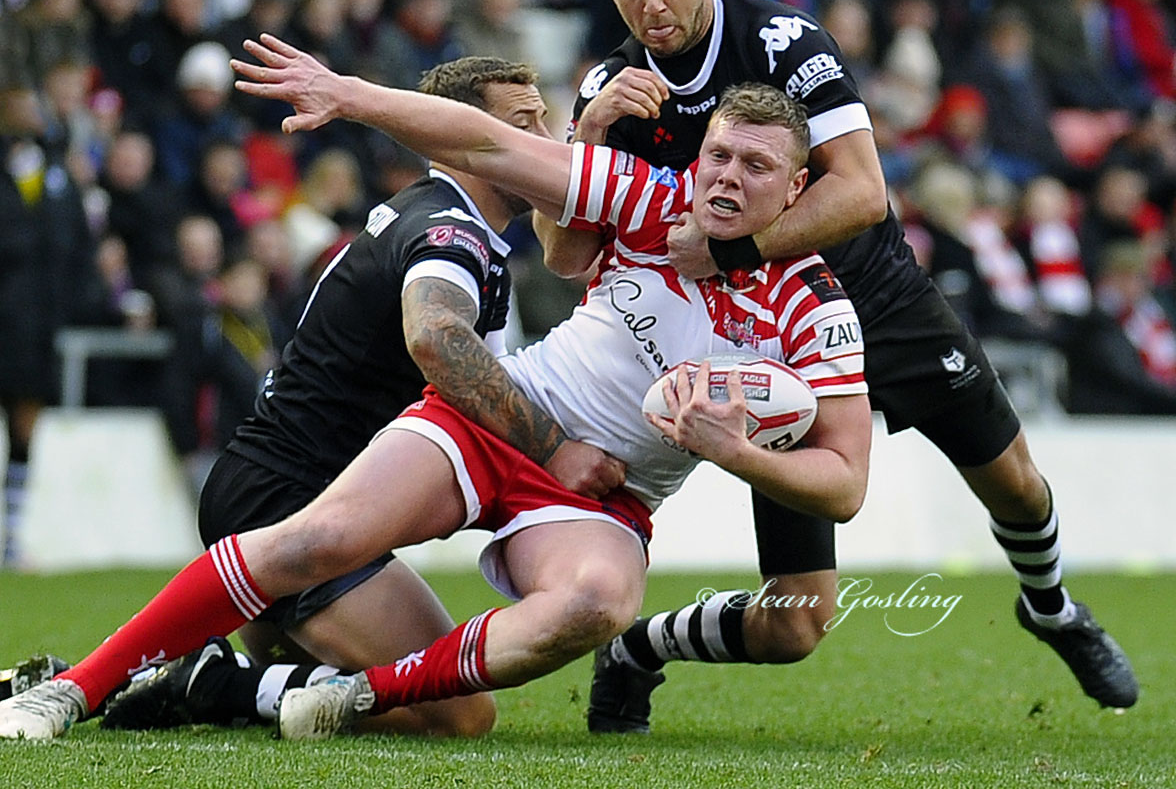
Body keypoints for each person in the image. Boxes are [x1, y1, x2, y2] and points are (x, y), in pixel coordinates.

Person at [0, 44, 871, 740]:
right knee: (323, 538)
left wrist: (736, 452)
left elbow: (844, 483)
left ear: (797, 188)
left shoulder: (815, 309)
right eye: (718, 154)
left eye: (756, 167)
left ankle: (352, 694)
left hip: (605, 493)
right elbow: (485, 143)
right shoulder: (649, 199)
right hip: (505, 421)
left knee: (599, 602)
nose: (726, 177)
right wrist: (349, 94)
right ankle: (75, 689)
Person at [527, 0, 1136, 730]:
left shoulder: (782, 42)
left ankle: (1052, 606)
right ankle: (639, 646)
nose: (653, 4)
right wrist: (585, 135)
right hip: (764, 342)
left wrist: (733, 250)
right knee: (795, 625)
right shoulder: (612, 88)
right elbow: (564, 258)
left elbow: (861, 192)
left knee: (1017, 485)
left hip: (876, 299)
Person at [9, 54, 626, 739]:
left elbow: (561, 245)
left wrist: (590, 138)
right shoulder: (448, 234)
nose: (542, 141)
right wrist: (554, 448)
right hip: (296, 505)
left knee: (335, 690)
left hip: (275, 484)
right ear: (459, 135)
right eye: (523, 123)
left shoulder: (435, 217)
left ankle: (214, 681)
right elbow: (435, 335)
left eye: (543, 122)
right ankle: (201, 681)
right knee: (458, 714)